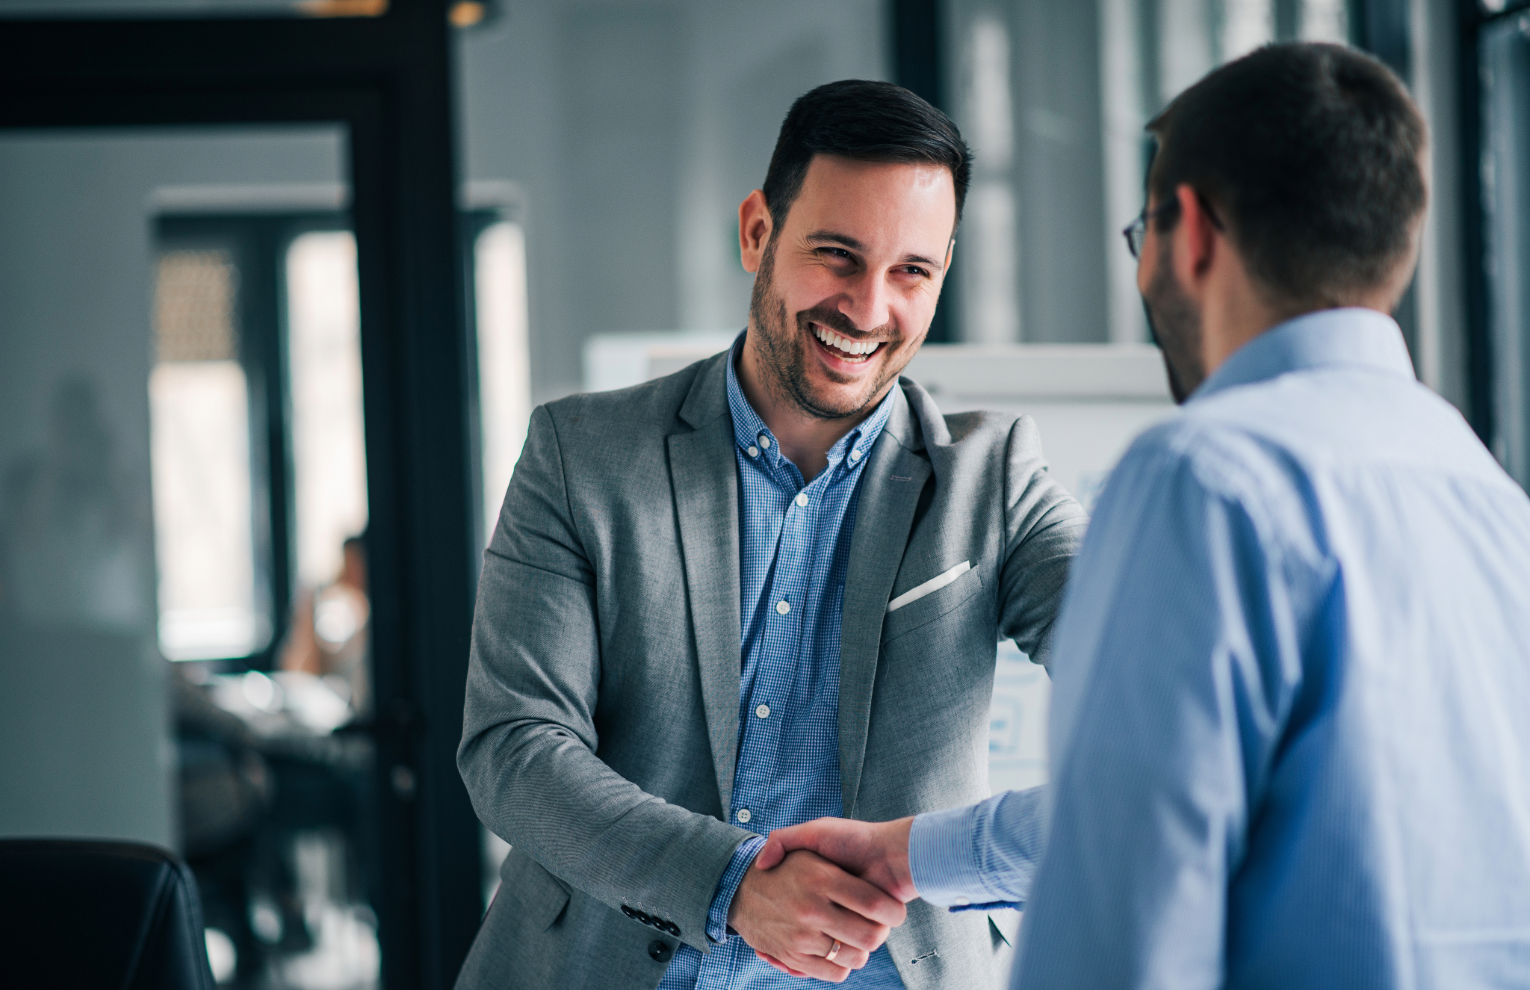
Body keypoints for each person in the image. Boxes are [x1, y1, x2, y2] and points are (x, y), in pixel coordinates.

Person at [759, 43, 1530, 988]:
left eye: (1142, 234)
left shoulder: (1204, 477)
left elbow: (1122, 889)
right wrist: (910, 854)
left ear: (1192, 233)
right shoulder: (1489, 497)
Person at [454, 80, 1087, 990]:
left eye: (912, 272)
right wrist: (732, 885)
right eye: (837, 255)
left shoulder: (993, 479)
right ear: (758, 232)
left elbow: (1156, 690)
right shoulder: (582, 455)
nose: (869, 309)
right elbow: (514, 747)